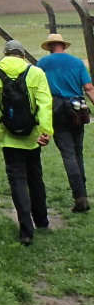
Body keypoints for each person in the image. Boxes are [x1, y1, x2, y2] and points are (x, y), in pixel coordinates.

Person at [0, 39, 53, 245]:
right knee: (35, 177)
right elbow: (45, 104)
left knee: (17, 180)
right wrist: (46, 131)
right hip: (33, 136)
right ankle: (42, 220)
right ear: (22, 54)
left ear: (5, 53)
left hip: (9, 138)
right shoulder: (36, 73)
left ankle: (26, 231)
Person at [36, 32, 94, 213]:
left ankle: (80, 197)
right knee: (78, 153)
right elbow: (88, 88)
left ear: (50, 47)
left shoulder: (43, 63)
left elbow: (37, 87)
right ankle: (82, 194)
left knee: (68, 154)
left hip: (57, 109)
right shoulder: (77, 62)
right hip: (77, 110)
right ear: (63, 46)